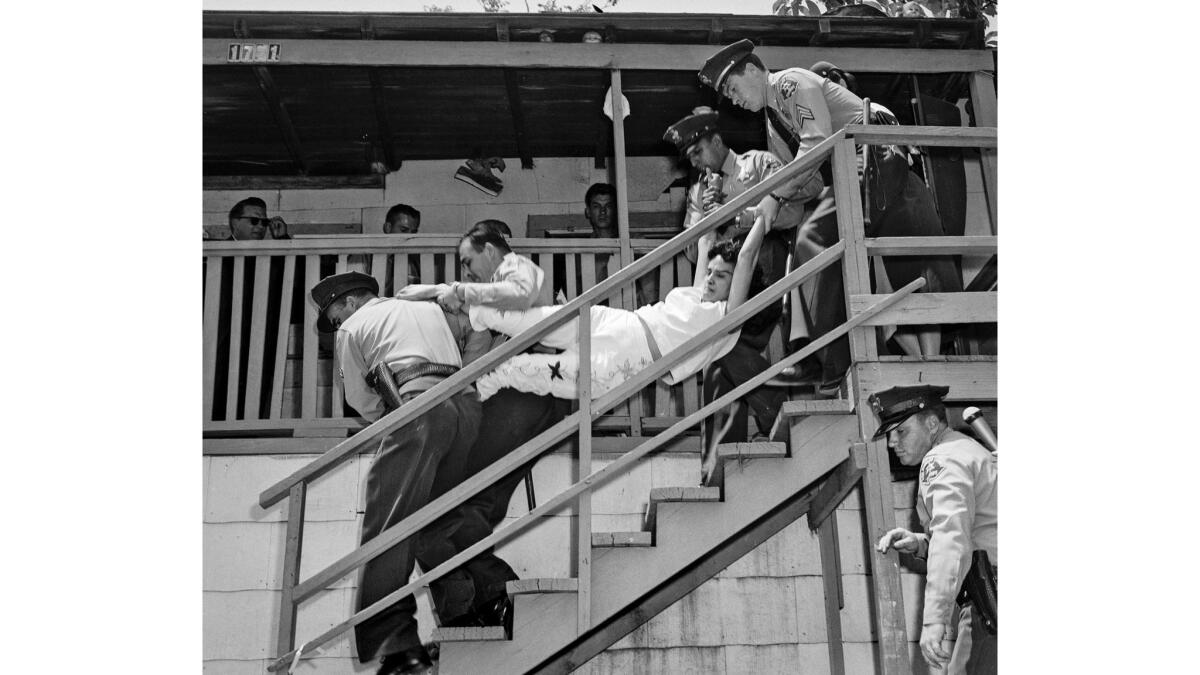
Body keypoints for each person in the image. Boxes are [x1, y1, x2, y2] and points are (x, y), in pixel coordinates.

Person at [699, 40, 961, 368]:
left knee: (825, 241)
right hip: (853, 177)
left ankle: (838, 359)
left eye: (733, 88)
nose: (733, 100)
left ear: (752, 70)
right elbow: (808, 184)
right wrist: (748, 214)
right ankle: (873, 359)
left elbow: (816, 141)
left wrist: (775, 196)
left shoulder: (788, 82)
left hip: (875, 156)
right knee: (855, 259)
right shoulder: (772, 123)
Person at [313, 272, 518, 675]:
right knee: (439, 519)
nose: (336, 323)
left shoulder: (353, 327)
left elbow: (358, 397)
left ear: (350, 303)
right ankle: (489, 598)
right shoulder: (426, 307)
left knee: (388, 521)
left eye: (335, 314)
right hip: (467, 410)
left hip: (419, 406)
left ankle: (396, 645)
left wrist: (395, 420)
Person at [466, 216, 770, 402]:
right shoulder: (698, 294)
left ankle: (481, 388)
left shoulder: (729, 318)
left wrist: (764, 218)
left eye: (721, 276)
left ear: (739, 287)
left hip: (625, 360)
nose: (710, 279)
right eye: (710, 272)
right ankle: (481, 314)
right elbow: (705, 240)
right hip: (620, 322)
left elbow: (746, 257)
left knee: (527, 372)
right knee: (542, 321)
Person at [664, 107, 822, 442]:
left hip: (764, 270)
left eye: (698, 152)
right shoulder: (696, 192)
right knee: (721, 362)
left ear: (717, 141)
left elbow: (794, 209)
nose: (695, 162)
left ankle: (760, 422)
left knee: (721, 347)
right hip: (724, 285)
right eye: (689, 157)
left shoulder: (758, 164)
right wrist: (705, 221)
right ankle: (731, 448)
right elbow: (692, 253)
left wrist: (737, 213)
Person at [871, 385, 997, 675]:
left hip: (991, 602)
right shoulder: (969, 451)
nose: (892, 443)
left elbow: (952, 539)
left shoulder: (941, 459)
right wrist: (920, 542)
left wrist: (934, 619)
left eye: (901, 432)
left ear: (931, 424)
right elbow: (977, 530)